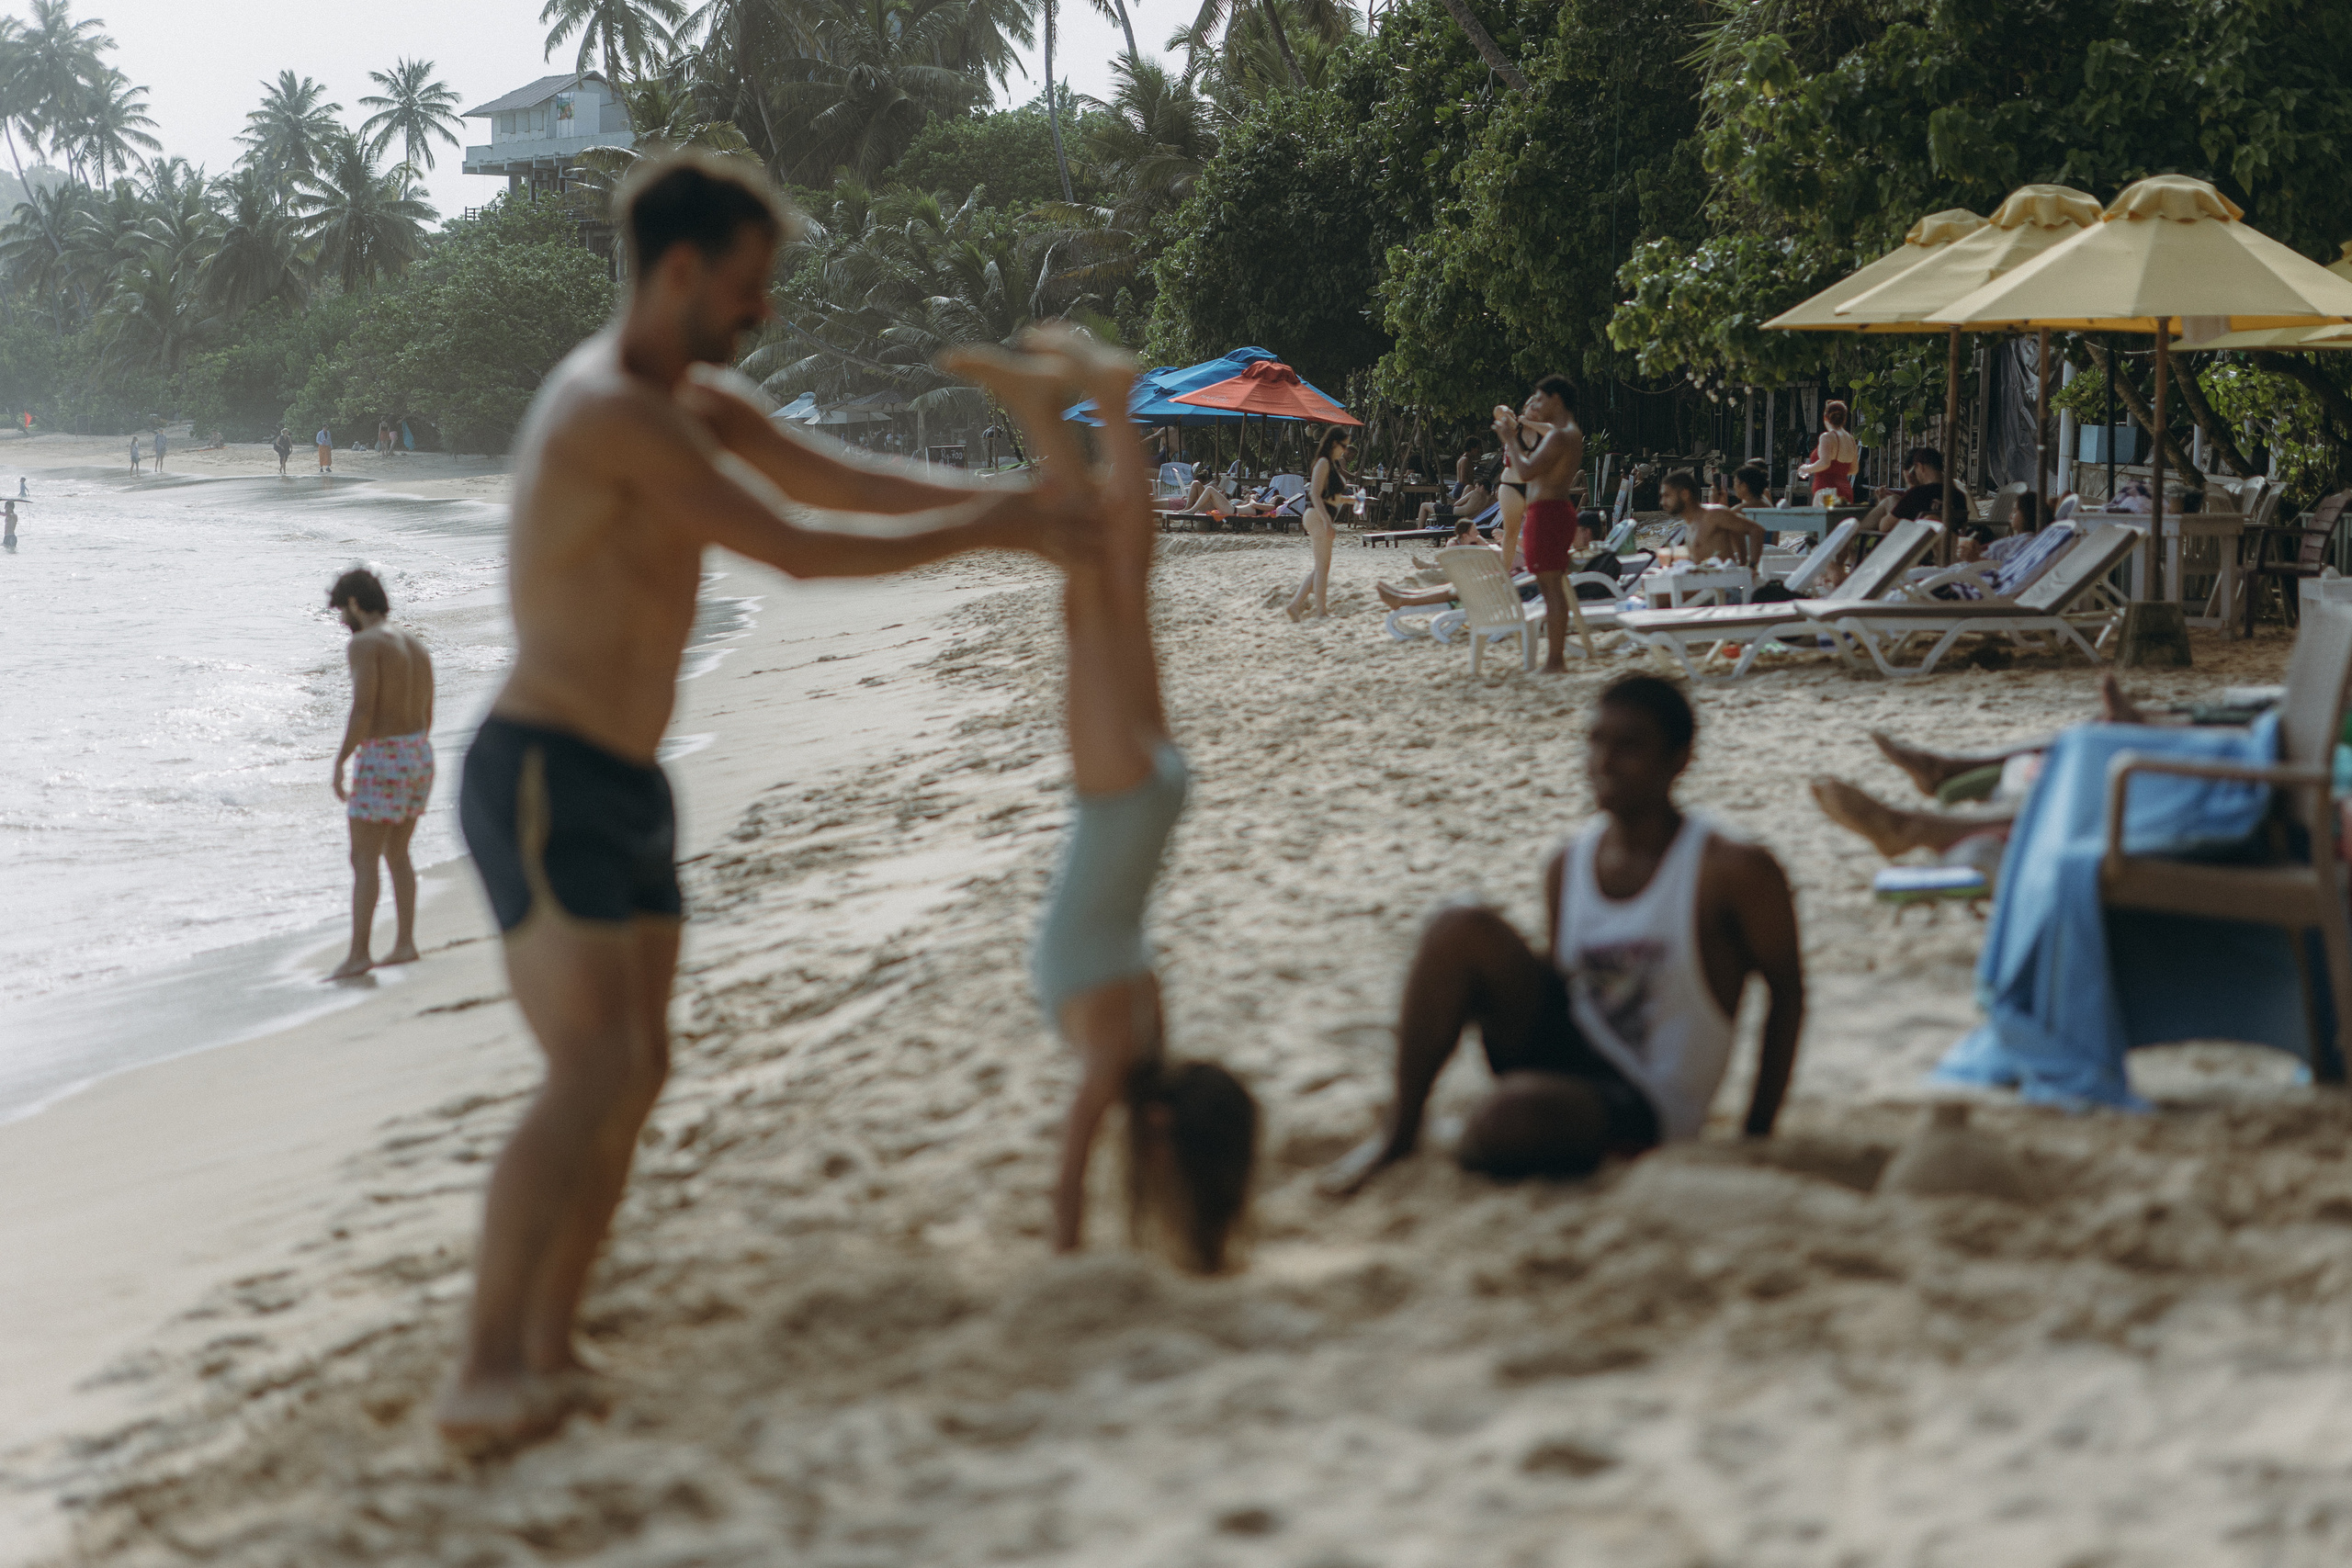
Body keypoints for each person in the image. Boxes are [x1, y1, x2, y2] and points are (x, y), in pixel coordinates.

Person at [438, 152, 1091, 1453]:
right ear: (681, 271)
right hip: (541, 775)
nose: (765, 312)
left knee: (640, 1066)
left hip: (625, 779)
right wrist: (1002, 529)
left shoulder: (691, 396)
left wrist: (1015, 503)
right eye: (750, 287)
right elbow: (790, 544)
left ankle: (552, 1342)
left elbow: (837, 481)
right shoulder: (606, 412)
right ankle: (481, 1367)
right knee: (588, 1068)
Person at [951, 328, 1261, 1272]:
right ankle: (1046, 415)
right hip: (1119, 805)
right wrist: (1065, 1250)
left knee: (1125, 588)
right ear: (1164, 1134)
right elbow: (1071, 1159)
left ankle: (1105, 408)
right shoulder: (1117, 1053)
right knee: (1090, 590)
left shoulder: (1148, 1029)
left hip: (1156, 800)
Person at [1324, 674, 1804, 1193]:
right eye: (1596, 741)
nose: (1604, 761)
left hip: (1650, 1100)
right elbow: (1564, 992)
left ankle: (1490, 1126)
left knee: (1514, 1114)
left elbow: (1787, 993)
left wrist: (1756, 1133)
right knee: (1457, 925)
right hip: (1574, 1055)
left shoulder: (1732, 869)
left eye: (1630, 746)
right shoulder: (1568, 862)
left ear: (1679, 758)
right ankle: (1400, 1134)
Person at [328, 569, 436, 980]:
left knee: (364, 857)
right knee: (398, 853)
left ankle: (359, 953)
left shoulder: (365, 643)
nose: (341, 620)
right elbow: (427, 716)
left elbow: (363, 708)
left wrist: (341, 760)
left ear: (355, 603)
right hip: (418, 753)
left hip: (384, 755)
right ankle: (405, 943)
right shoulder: (416, 645)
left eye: (341, 610)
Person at [1495, 376, 1584, 671]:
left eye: (1540, 399)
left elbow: (1528, 470)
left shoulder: (1560, 435)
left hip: (1548, 513)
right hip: (1552, 511)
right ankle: (1555, 659)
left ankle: (1556, 660)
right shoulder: (1570, 432)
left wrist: (1509, 438)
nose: (1535, 404)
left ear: (1556, 399)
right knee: (1552, 588)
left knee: (1551, 591)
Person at [1283, 427, 1353, 620]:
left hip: (1320, 514)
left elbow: (1331, 497)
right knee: (1323, 567)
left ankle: (1295, 605)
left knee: (1321, 566)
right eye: (1343, 446)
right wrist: (1327, 522)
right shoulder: (1323, 462)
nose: (1345, 450)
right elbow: (1314, 494)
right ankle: (1321, 612)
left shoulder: (1330, 464)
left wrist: (1352, 500)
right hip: (1317, 515)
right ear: (1333, 443)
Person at [1658, 469, 1766, 570]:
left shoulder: (1713, 515)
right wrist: (1742, 563)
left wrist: (1751, 567)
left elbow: (1756, 530)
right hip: (1704, 584)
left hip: (1724, 587)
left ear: (1684, 494)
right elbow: (1736, 533)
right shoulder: (1690, 522)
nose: (1662, 502)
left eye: (1667, 496)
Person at [1492, 394, 1542, 571]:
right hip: (1511, 485)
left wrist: (1530, 423)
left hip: (1534, 488)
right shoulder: (1514, 427)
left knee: (1541, 532)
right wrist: (1507, 411)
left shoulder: (1547, 430)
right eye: (1531, 405)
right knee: (1511, 532)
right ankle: (1504, 573)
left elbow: (1553, 431)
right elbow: (1499, 411)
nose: (1535, 409)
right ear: (1524, 409)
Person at [1798, 400, 1859, 502]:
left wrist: (1806, 468)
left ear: (1825, 417)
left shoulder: (1827, 437)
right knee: (1843, 518)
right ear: (1844, 419)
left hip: (1827, 491)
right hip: (1846, 491)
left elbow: (1824, 463)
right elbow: (1854, 469)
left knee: (1823, 517)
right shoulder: (1851, 439)